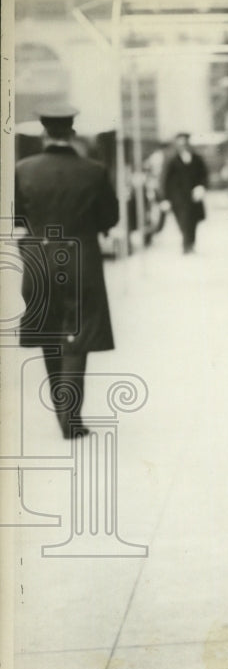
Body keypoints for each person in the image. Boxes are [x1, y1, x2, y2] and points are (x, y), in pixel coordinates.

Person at [14, 106, 119, 438]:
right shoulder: (95, 171)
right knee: (78, 336)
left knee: (49, 333)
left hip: (39, 258)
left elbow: (17, 216)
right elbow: (109, 218)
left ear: (44, 134)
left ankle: (63, 411)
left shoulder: (23, 170)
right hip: (81, 260)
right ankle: (70, 417)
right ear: (72, 134)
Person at [161, 132, 208, 254]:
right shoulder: (173, 161)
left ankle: (190, 243)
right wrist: (165, 198)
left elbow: (203, 175)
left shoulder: (197, 159)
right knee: (184, 220)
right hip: (178, 198)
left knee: (193, 221)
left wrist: (201, 187)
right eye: (180, 144)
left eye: (185, 143)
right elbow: (165, 180)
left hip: (193, 197)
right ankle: (187, 245)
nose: (183, 146)